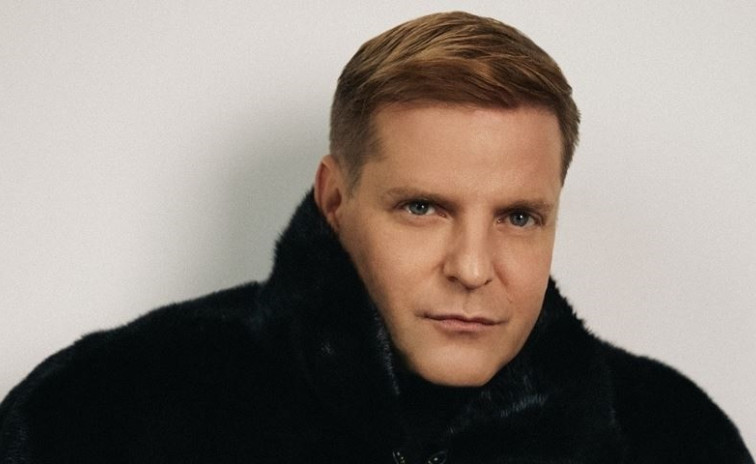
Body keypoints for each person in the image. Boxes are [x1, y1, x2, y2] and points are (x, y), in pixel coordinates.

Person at [0, 11, 751, 464]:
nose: (472, 267)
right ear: (335, 199)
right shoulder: (102, 411)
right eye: (423, 208)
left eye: (518, 217)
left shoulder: (670, 434)